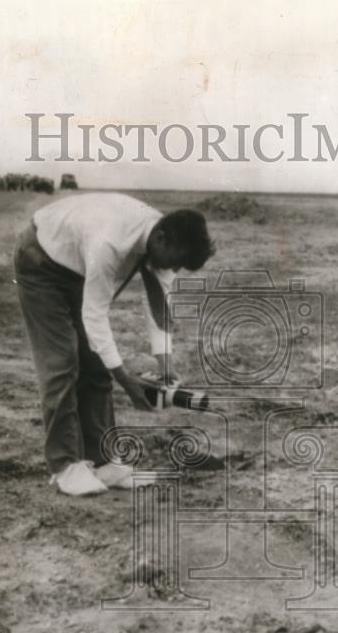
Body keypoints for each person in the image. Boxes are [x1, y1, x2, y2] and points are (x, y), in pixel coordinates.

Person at [13, 192, 215, 496]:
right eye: (174, 263)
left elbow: (158, 303)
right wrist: (126, 382)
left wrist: (166, 364)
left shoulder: (165, 237)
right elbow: (95, 317)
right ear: (160, 239)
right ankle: (65, 466)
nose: (173, 269)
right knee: (62, 362)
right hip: (40, 259)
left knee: (95, 365)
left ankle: (104, 461)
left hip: (76, 265)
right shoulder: (109, 242)